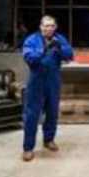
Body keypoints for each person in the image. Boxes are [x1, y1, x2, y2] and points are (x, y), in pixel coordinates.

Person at [20, 15, 73, 162]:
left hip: (53, 80)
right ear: (40, 27)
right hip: (36, 81)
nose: (48, 28)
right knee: (32, 114)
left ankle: (48, 140)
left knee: (52, 112)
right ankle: (28, 148)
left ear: (55, 27)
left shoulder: (59, 39)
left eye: (51, 26)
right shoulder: (31, 40)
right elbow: (30, 59)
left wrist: (60, 48)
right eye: (46, 25)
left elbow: (69, 56)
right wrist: (44, 49)